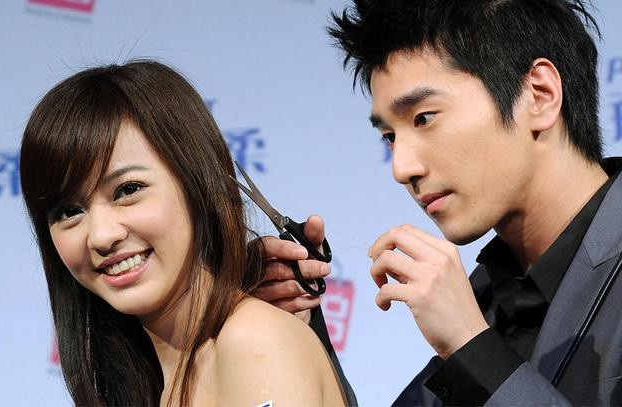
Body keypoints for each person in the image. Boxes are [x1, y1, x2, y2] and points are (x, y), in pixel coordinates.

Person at [258, 0, 622, 405]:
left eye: (424, 118)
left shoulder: (466, 323)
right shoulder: (485, 296)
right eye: (390, 137)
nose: (401, 168)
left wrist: (474, 349)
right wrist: (301, 333)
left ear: (538, 95)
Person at [19, 60, 347, 406]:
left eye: (128, 190)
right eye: (69, 212)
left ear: (198, 186)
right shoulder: (159, 383)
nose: (101, 235)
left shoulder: (252, 341)